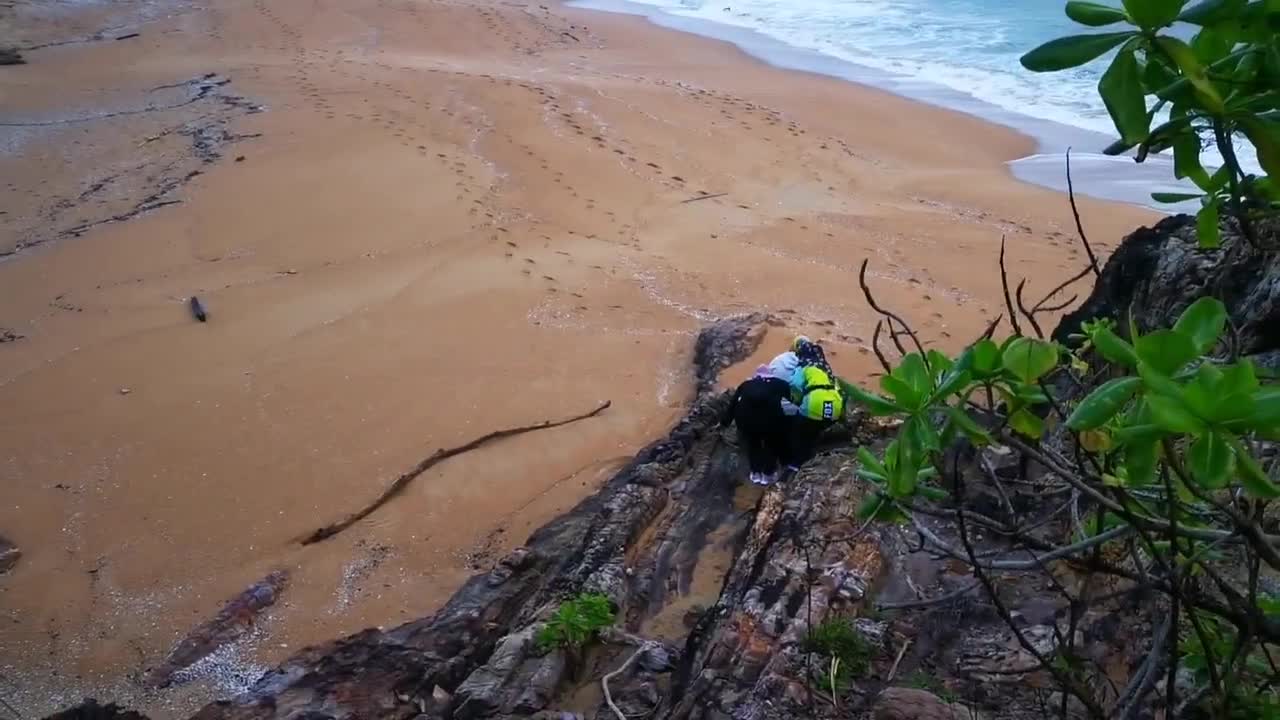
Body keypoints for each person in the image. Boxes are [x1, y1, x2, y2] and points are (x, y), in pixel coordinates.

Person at [722, 366, 792, 486]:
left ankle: (755, 473)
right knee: (771, 445)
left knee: (753, 445)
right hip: (769, 421)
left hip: (746, 421)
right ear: (770, 375)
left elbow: (733, 404)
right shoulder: (780, 384)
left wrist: (725, 422)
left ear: (756, 376)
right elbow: (791, 399)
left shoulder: (746, 384)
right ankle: (768, 475)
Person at [781, 364, 845, 470]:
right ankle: (814, 452)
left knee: (798, 433)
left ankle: (796, 463)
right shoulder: (829, 373)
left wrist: (796, 398)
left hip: (815, 403)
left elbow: (794, 383)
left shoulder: (805, 369)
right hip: (834, 405)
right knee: (816, 429)